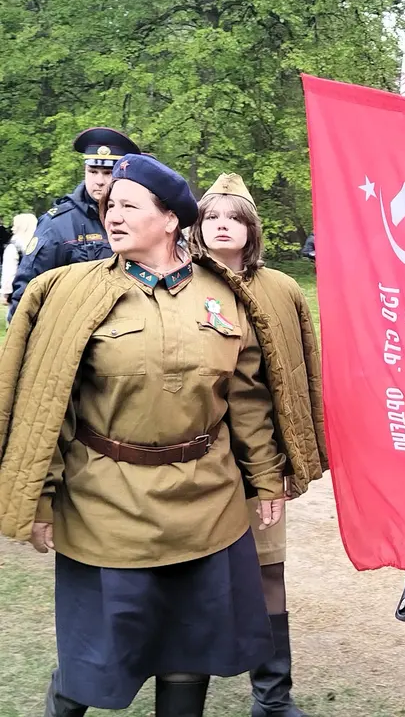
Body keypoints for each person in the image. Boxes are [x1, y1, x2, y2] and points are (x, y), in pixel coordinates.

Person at [0, 154, 324, 717]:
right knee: (91, 661)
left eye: (129, 205)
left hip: (207, 503)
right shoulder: (69, 291)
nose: (112, 215)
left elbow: (245, 399)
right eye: (109, 206)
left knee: (188, 653)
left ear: (171, 218)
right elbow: (51, 404)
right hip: (106, 503)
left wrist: (268, 479)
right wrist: (41, 497)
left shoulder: (225, 293)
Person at [189, 173, 328, 717]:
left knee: (267, 570)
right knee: (195, 571)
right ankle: (185, 685)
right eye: (212, 218)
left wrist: (291, 453)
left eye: (234, 219)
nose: (223, 227)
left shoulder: (282, 289)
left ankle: (272, 695)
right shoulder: (182, 284)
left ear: (252, 230)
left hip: (259, 457)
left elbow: (298, 375)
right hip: (198, 458)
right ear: (198, 227)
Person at [7, 127, 140, 319]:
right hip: (72, 330)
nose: (99, 181)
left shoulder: (138, 216)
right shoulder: (58, 223)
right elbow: (28, 291)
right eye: (93, 171)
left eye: (107, 172)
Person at [1, 213, 37, 309]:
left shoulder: (13, 248)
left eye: (15, 225)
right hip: (38, 293)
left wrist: (5, 293)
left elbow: (9, 274)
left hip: (18, 294)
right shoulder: (40, 246)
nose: (12, 228)